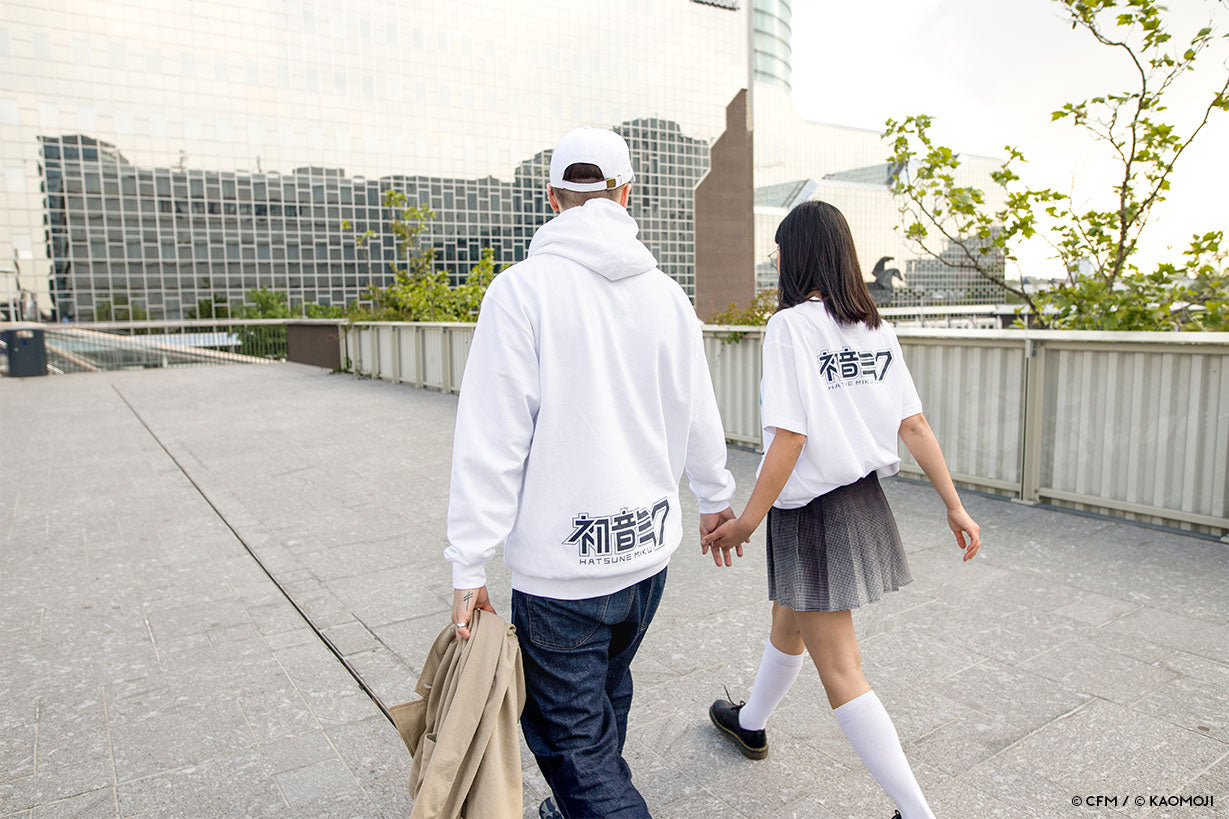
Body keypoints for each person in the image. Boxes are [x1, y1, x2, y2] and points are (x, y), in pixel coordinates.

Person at [445, 126, 737, 819]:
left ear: (552, 198)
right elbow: (698, 410)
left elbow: (492, 438)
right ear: (625, 194)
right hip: (646, 556)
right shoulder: (666, 295)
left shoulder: (520, 292)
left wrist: (468, 561)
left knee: (570, 739)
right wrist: (715, 496)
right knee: (606, 691)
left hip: (561, 571)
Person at [700, 200, 981, 819]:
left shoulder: (790, 327)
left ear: (798, 255)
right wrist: (954, 506)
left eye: (779, 250)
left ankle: (917, 813)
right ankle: (750, 723)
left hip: (814, 514)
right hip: (861, 501)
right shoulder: (875, 327)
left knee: (842, 670)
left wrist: (746, 521)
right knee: (789, 619)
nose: (775, 259)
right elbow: (913, 425)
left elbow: (790, 438)